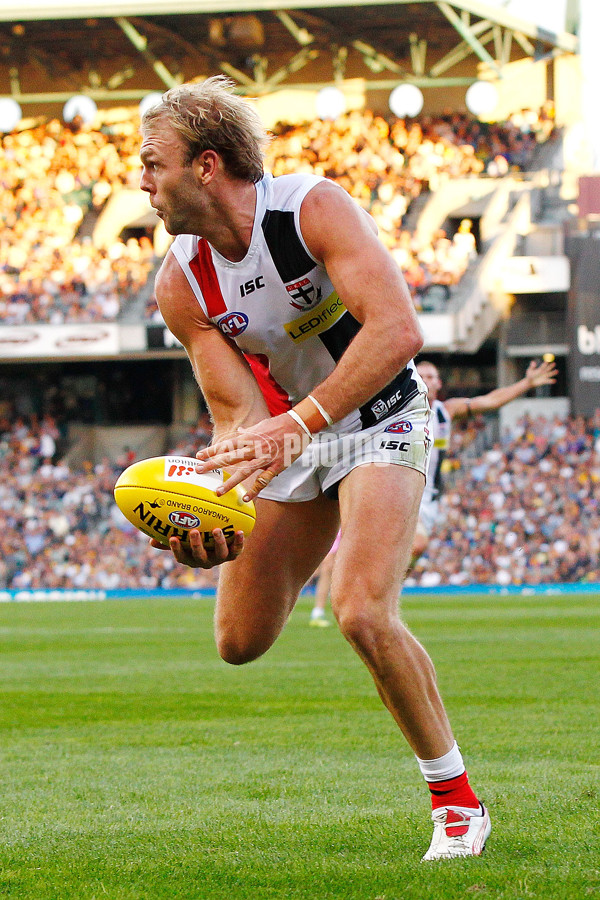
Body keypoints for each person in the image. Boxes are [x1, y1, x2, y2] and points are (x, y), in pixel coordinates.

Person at [139, 75, 490, 860]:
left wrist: (297, 426)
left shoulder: (311, 208)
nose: (140, 181)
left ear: (205, 164)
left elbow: (398, 330)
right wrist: (223, 505)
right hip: (292, 438)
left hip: (381, 415)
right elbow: (238, 413)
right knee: (238, 640)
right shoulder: (178, 281)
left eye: (151, 162)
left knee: (362, 609)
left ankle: (456, 804)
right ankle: (288, 546)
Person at [412, 358, 558, 561]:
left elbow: (491, 401)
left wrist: (526, 383)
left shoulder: (446, 411)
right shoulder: (403, 412)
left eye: (431, 376)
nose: (426, 380)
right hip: (406, 491)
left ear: (439, 383)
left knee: (412, 553)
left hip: (429, 497)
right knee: (416, 545)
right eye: (421, 376)